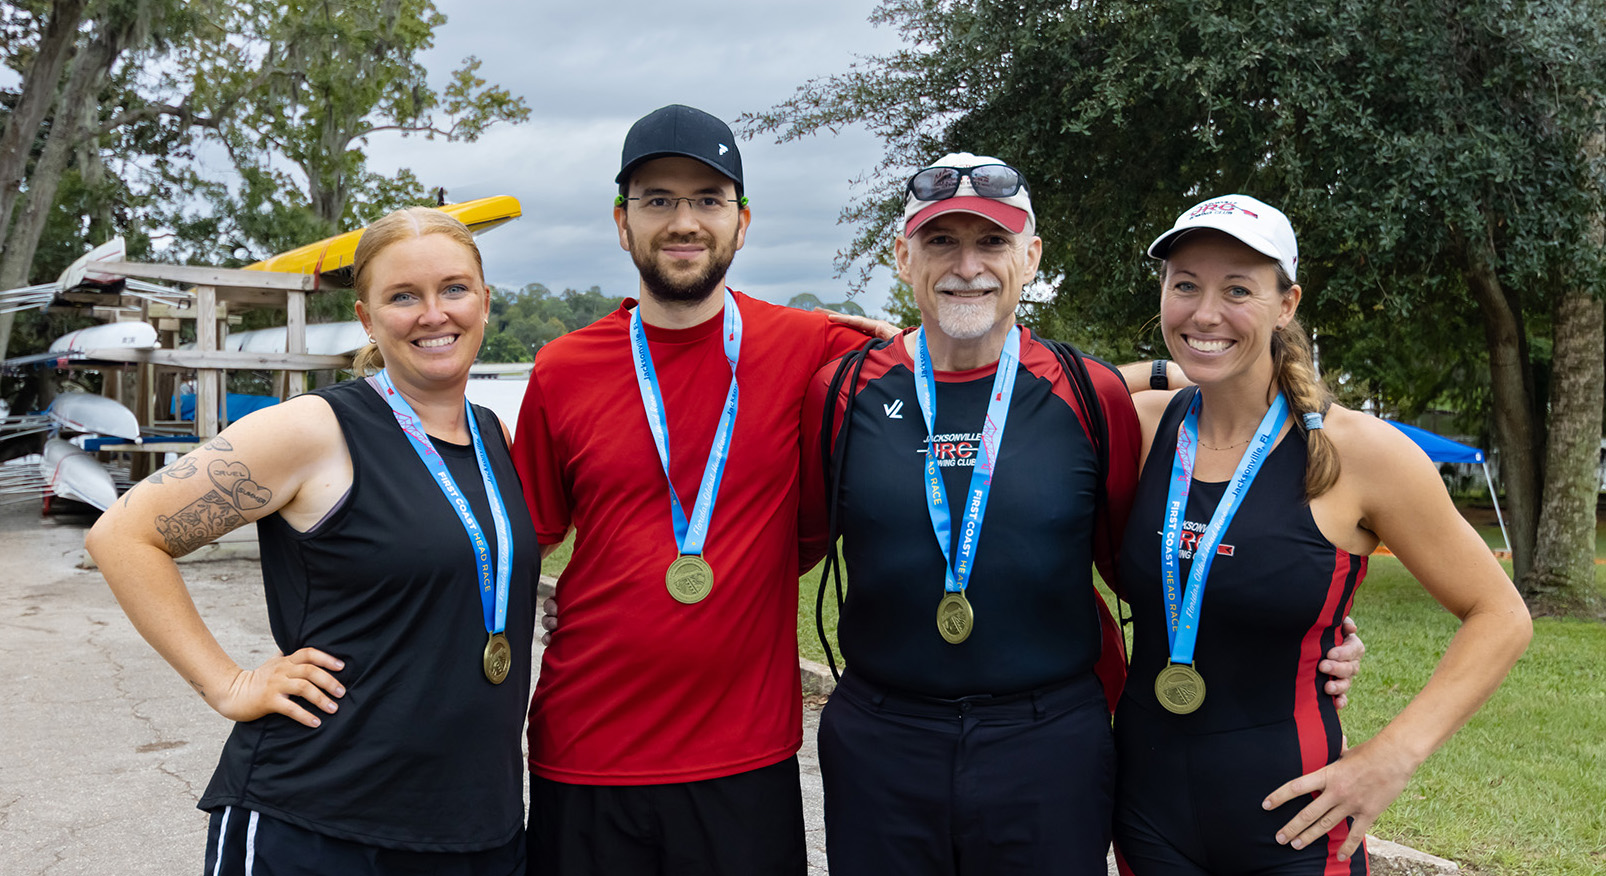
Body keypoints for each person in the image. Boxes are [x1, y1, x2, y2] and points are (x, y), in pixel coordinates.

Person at [795, 157, 1363, 875]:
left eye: (992, 243)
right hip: (882, 739)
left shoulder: (1089, 395)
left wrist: (1314, 635)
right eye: (941, 242)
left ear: (1031, 257)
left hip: (1047, 742)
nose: (967, 266)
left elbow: (1148, 570)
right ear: (902, 255)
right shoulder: (843, 388)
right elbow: (790, 548)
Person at [86, 207, 536, 875]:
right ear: (367, 317)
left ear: (485, 301)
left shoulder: (494, 434)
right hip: (321, 827)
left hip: (476, 826)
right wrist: (228, 683)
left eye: (454, 289)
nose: (433, 314)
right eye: (403, 296)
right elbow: (124, 535)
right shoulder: (316, 429)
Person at [510, 104, 880, 876]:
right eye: (658, 200)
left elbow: (972, 366)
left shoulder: (810, 345)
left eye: (708, 200)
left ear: (741, 222)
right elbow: (521, 543)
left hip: (744, 760)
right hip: (586, 748)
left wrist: (1166, 378)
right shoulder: (562, 369)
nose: (684, 222)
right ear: (623, 223)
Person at [1112, 195, 1532, 874]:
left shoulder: (1361, 453)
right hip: (1143, 813)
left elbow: (1501, 615)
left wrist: (1392, 757)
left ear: (1287, 304)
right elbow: (1046, 393)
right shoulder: (1141, 427)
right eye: (1184, 285)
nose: (1206, 312)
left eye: (1238, 289)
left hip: (1293, 825)